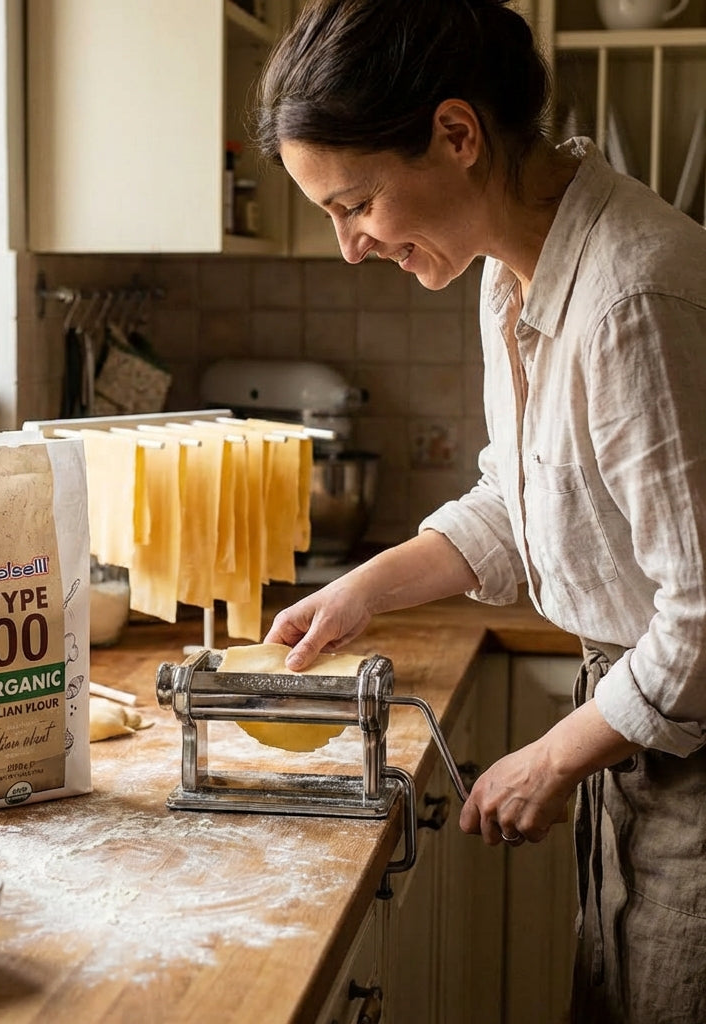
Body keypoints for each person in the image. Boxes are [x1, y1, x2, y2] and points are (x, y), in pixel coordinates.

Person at [252, 1, 706, 1021]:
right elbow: (518, 495)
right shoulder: (509, 274)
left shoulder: (631, 298)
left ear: (455, 135)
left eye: (354, 202)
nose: (349, 247)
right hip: (640, 735)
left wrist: (553, 753)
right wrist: (360, 590)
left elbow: (702, 618)